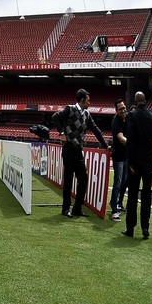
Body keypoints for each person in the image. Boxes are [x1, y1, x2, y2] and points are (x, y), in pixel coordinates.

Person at [51, 88, 109, 218]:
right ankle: (65, 209)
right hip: (69, 148)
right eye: (88, 100)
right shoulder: (70, 109)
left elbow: (96, 130)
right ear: (82, 100)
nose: (90, 102)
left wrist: (106, 146)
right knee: (69, 179)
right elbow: (55, 117)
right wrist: (61, 133)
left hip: (78, 150)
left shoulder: (87, 114)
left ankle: (77, 208)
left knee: (83, 179)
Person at [122, 91, 152, 239]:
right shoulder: (151, 118)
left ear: (135, 101)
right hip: (149, 161)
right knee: (147, 195)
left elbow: (130, 141)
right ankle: (145, 228)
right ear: (145, 101)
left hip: (136, 162)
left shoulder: (132, 115)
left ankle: (130, 228)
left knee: (133, 195)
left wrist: (131, 162)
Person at [109, 98, 128, 221]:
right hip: (118, 157)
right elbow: (121, 138)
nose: (123, 110)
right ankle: (114, 209)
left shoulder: (128, 118)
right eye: (120, 109)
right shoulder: (116, 122)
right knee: (118, 183)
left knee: (124, 182)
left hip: (126, 156)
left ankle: (119, 203)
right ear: (116, 111)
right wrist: (133, 144)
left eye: (124, 108)